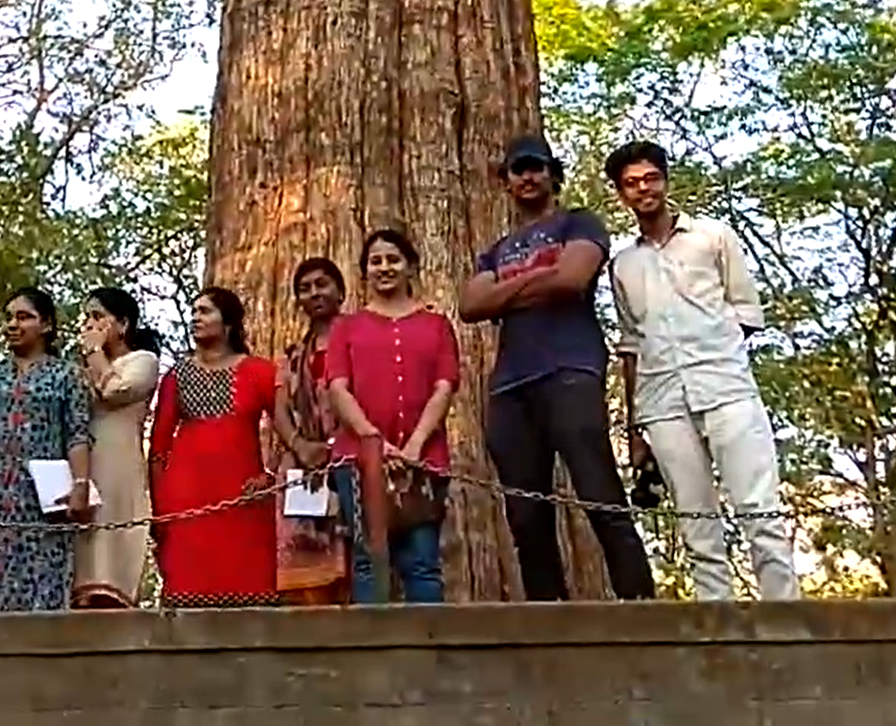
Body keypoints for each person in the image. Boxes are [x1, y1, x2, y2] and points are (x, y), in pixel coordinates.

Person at [457, 134, 657, 601]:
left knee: (599, 492)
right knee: (526, 515)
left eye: (537, 167)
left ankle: (641, 607)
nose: (528, 176)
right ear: (505, 181)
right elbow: (469, 304)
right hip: (511, 385)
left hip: (570, 368)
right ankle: (549, 617)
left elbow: (572, 279)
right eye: (517, 169)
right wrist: (539, 277)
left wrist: (506, 290)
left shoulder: (578, 222)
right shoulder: (495, 249)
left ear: (552, 174)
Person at [605, 140, 800, 601]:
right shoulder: (623, 264)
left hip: (727, 389)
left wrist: (714, 352)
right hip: (663, 402)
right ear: (621, 194)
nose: (643, 189)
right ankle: (717, 628)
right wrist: (636, 431)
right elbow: (631, 345)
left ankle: (787, 621)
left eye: (650, 178)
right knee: (696, 523)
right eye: (631, 184)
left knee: (759, 511)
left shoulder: (713, 237)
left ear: (665, 181)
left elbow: (746, 311)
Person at [327, 228, 459, 604]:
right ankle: (372, 658)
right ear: (364, 271)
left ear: (410, 266)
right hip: (357, 459)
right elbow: (338, 387)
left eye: (393, 259)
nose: (384, 267)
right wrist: (375, 443)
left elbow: (445, 385)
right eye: (375, 261)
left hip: (424, 460)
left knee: (423, 562)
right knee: (369, 559)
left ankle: (428, 655)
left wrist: (414, 445)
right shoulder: (346, 328)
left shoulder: (436, 325)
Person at [149, 287, 299, 608]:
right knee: (186, 602)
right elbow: (159, 450)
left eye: (205, 311)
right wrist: (160, 512)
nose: (195, 318)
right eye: (194, 311)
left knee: (250, 600)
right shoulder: (177, 376)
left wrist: (269, 475)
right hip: (185, 503)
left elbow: (291, 434)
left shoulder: (259, 372)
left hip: (243, 500)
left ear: (227, 322)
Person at [0, 287, 93, 612]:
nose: (13, 324)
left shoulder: (66, 375)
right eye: (10, 317)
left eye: (24, 317)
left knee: (39, 579)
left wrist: (80, 485)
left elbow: (78, 433)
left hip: (40, 501)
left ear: (47, 325)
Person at [71, 287, 162, 608]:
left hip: (118, 469)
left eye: (98, 317)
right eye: (86, 318)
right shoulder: (81, 370)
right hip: (82, 468)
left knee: (109, 561)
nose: (89, 325)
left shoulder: (144, 361)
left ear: (123, 325)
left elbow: (113, 390)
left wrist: (95, 353)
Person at [272, 258, 350, 605]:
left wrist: (334, 446)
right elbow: (280, 409)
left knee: (356, 552)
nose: (314, 293)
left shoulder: (361, 341)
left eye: (322, 284)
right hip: (303, 464)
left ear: (341, 292)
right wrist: (300, 445)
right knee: (305, 564)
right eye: (305, 288)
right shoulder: (293, 356)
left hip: (351, 454)